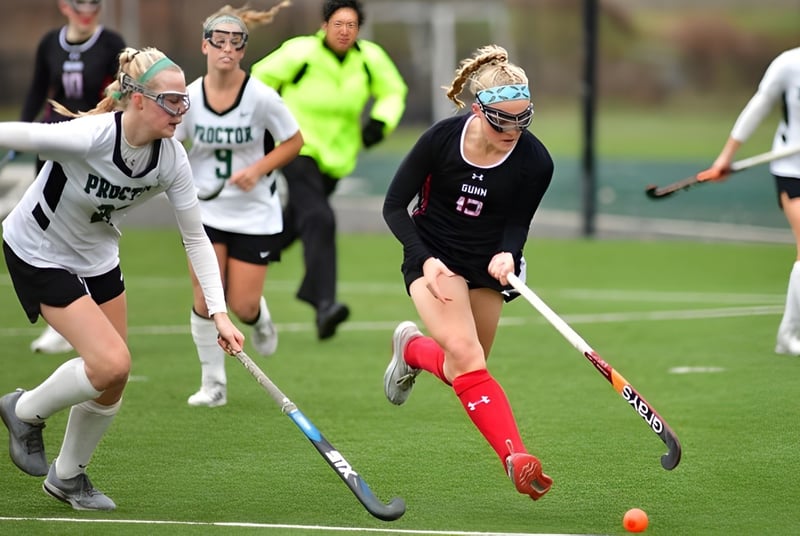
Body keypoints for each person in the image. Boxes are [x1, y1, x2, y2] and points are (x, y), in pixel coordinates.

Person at [0, 46, 244, 511]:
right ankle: (24, 409)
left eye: (183, 100)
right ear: (136, 100)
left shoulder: (171, 159)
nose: (182, 110)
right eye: (171, 101)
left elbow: (197, 239)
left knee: (114, 377)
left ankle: (67, 478)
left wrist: (219, 312)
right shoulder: (89, 136)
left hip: (97, 255)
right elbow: (19, 133)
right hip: (38, 250)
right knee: (110, 362)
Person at [381, 45, 554, 501]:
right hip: (433, 255)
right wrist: (423, 258)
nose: (513, 131)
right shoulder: (440, 140)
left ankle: (413, 349)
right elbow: (394, 206)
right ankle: (514, 456)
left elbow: (518, 222)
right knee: (466, 354)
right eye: (503, 121)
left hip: (487, 265)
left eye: (523, 119)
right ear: (478, 110)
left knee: (464, 367)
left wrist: (509, 253)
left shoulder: (536, 162)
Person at [250, 0, 407, 340]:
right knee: (320, 218)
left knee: (300, 220)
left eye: (351, 25)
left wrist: (380, 123)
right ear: (324, 25)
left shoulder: (369, 59)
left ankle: (250, 252)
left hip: (338, 159)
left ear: (358, 29)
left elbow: (394, 91)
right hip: (295, 147)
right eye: (338, 23)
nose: (344, 30)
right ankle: (325, 304)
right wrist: (265, 125)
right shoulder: (300, 53)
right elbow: (259, 78)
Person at [175, 2, 303, 408]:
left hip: (253, 212)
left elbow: (294, 142)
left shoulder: (261, 97)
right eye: (219, 41)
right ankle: (213, 385)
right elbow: (172, 142)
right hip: (206, 210)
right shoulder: (190, 96)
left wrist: (258, 169)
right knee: (205, 295)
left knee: (242, 305)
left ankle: (259, 317)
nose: (227, 49)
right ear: (205, 46)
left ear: (243, 49)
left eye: (236, 43)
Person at [21, 0, 126, 355]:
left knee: (85, 228)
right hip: (55, 145)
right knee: (50, 228)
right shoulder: (50, 43)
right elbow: (38, 90)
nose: (87, 9)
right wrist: (23, 132)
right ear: (64, 6)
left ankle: (88, 312)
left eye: (95, 3)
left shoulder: (112, 43)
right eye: (80, 2)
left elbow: (123, 90)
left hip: (94, 148)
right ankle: (61, 321)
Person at [698, 47, 800, 356]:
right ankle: (791, 333)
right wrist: (725, 158)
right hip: (792, 169)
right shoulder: (789, 64)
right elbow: (758, 107)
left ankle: (787, 331)